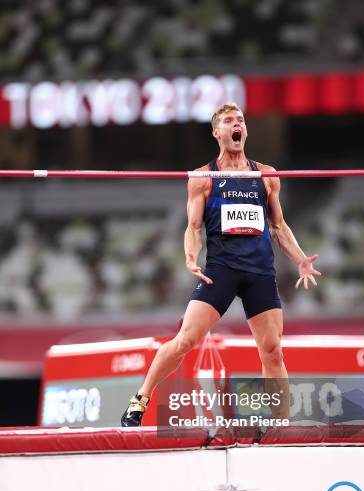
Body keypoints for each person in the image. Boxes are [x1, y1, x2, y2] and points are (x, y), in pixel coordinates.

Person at [121, 102, 321, 426]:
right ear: (217, 133)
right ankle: (140, 398)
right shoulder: (203, 177)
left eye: (240, 120)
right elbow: (194, 227)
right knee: (185, 339)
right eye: (228, 121)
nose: (236, 124)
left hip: (259, 272)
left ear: (245, 129)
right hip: (221, 271)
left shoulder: (266, 175)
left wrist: (300, 260)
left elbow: (279, 227)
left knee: (272, 351)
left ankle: (282, 427)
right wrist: (189, 256)